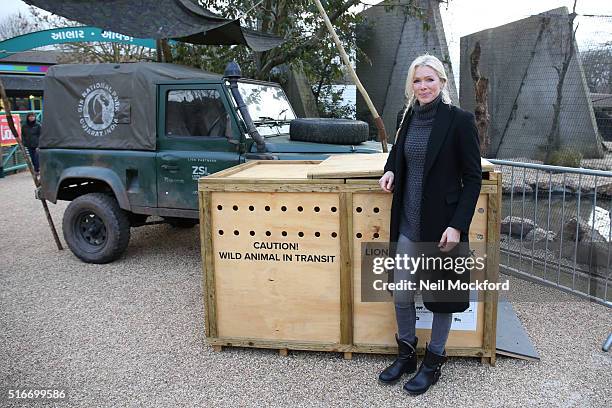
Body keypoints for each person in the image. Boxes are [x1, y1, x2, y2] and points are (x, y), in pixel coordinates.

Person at [377, 54, 482, 395]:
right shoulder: (408, 116)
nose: (423, 86)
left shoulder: (460, 121)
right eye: (417, 81)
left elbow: (473, 178)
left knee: (442, 298)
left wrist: (457, 225)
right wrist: (390, 169)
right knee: (402, 294)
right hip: (408, 223)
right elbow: (399, 152)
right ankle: (406, 353)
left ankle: (434, 361)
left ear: (442, 82)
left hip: (442, 227)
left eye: (429, 80)